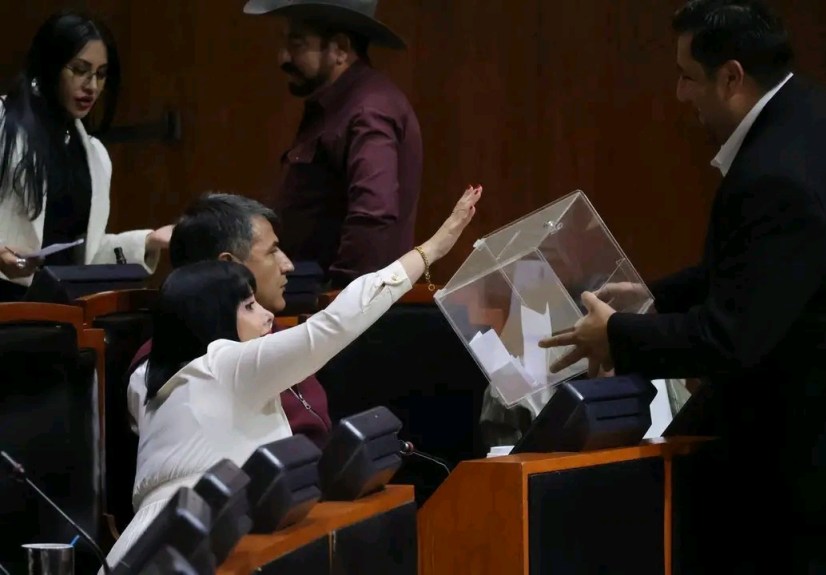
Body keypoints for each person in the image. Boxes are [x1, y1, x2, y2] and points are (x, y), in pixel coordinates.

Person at [539, 1, 826, 572]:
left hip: (810, 461)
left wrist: (618, 336)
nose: (680, 94)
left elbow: (731, 338)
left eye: (688, 77)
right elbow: (758, 269)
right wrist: (654, 299)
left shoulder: (773, 175)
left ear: (732, 76)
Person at [101, 185, 480, 570]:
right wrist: (430, 251)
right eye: (248, 306)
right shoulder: (222, 363)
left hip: (228, 537)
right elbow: (335, 324)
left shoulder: (201, 365)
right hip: (196, 547)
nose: (267, 317)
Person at [128, 192, 333, 448]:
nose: (288, 265)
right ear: (229, 264)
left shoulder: (272, 329)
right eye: (272, 252)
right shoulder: (161, 366)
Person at [243, 0, 422, 288]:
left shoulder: (369, 109)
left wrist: (342, 299)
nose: (282, 57)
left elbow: (373, 215)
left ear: (339, 48)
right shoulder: (337, 105)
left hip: (345, 312)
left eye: (297, 44)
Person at [0, 10, 172, 301]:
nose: (92, 86)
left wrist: (148, 241)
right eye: (80, 70)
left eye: (101, 75)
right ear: (50, 66)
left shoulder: (94, 154)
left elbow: (85, 255)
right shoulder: (4, 119)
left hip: (58, 309)